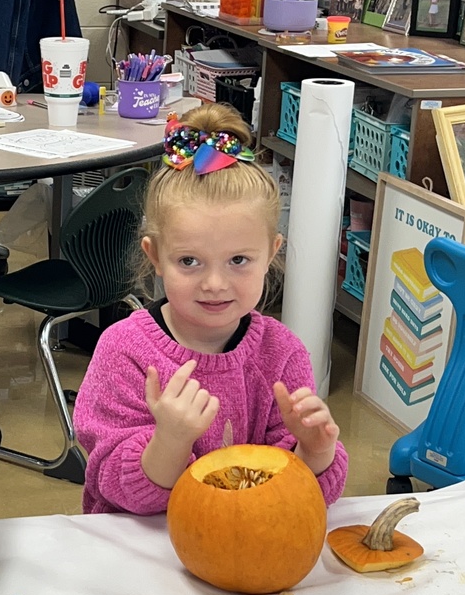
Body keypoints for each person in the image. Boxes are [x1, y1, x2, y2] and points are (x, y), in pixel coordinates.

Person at [73, 103, 348, 515]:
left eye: (239, 261)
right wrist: (169, 442)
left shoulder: (282, 352)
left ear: (272, 253)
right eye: (189, 262)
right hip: (144, 549)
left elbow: (290, 495)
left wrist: (317, 452)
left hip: (245, 543)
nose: (215, 284)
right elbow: (116, 489)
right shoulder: (124, 351)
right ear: (156, 257)